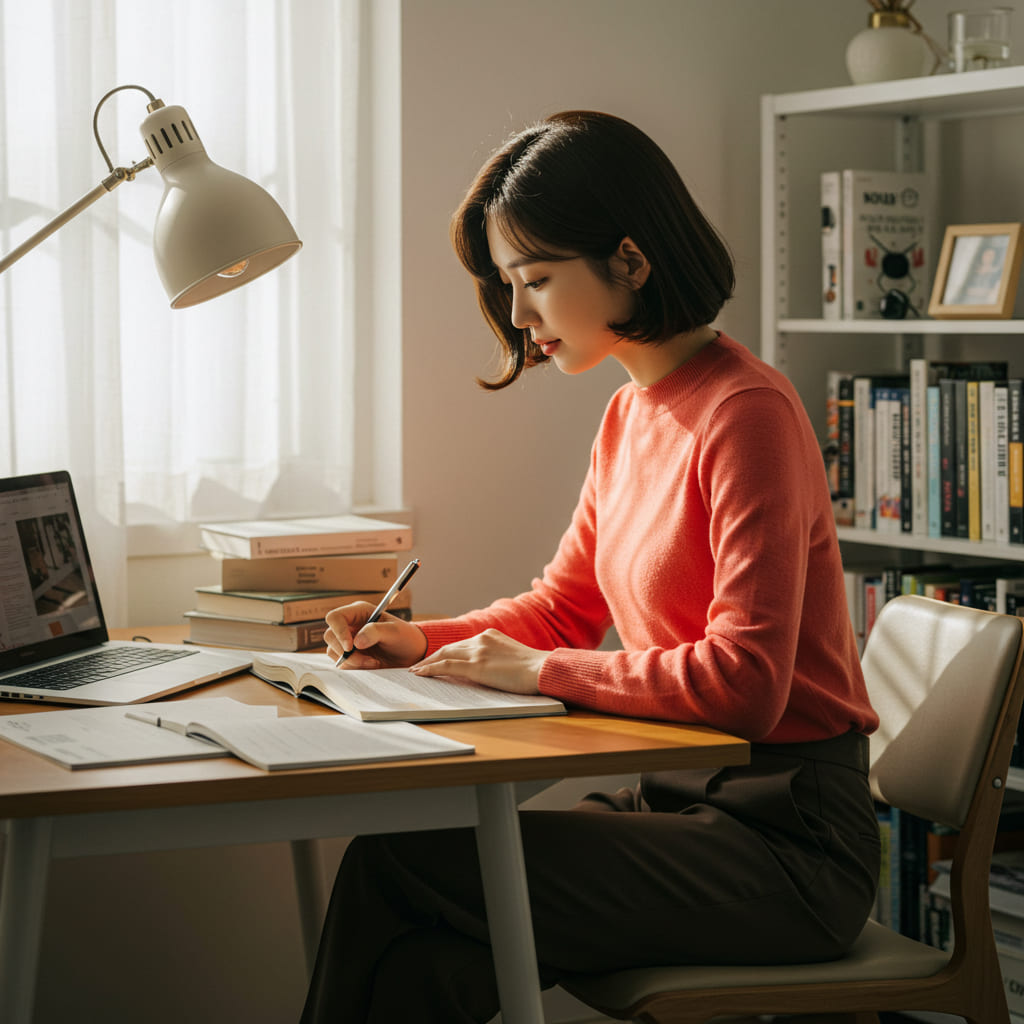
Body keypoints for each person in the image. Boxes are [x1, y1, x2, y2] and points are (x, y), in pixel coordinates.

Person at [300, 110, 880, 1024]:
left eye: (535, 280)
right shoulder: (629, 414)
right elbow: (561, 609)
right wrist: (420, 640)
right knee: (434, 958)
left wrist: (537, 672)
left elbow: (746, 686)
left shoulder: (747, 414)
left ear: (630, 261)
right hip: (675, 800)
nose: (519, 316)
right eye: (508, 285)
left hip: (788, 839)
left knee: (395, 862)